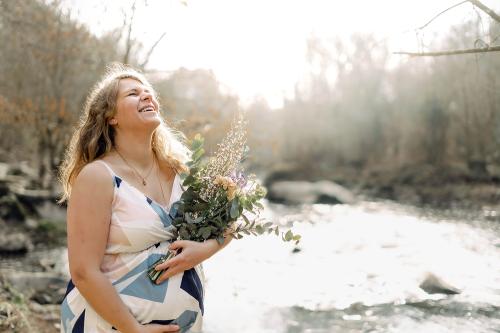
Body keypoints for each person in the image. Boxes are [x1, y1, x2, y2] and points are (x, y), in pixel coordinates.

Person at [58, 63, 232, 333]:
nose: (147, 96)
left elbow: (230, 220)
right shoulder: (98, 176)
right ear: (110, 117)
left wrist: (207, 249)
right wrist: (133, 329)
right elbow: (83, 270)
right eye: (132, 93)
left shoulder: (181, 169)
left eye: (148, 91)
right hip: (109, 326)